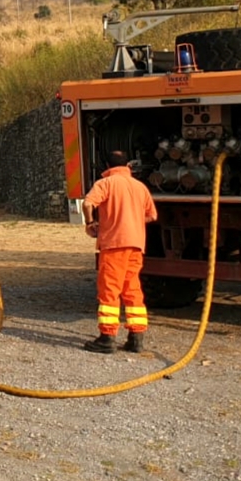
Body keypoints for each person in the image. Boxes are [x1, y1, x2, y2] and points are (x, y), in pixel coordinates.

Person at [81, 150, 158, 353]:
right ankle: (136, 338)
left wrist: (90, 223)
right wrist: (131, 221)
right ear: (128, 166)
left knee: (109, 290)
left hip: (114, 245)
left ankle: (107, 338)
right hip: (136, 246)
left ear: (107, 165)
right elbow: (151, 216)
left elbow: (88, 203)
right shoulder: (140, 187)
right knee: (132, 290)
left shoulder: (105, 184)